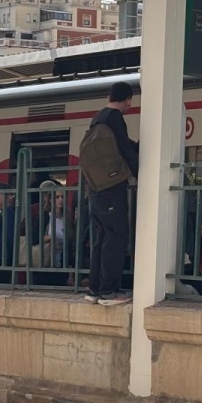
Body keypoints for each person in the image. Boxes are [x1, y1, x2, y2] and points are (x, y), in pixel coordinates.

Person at [80, 81, 139, 305]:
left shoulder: (97, 118)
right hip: (111, 187)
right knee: (116, 237)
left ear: (108, 96)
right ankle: (109, 291)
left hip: (96, 188)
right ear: (128, 100)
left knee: (102, 238)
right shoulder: (115, 119)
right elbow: (124, 148)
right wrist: (137, 172)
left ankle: (94, 289)